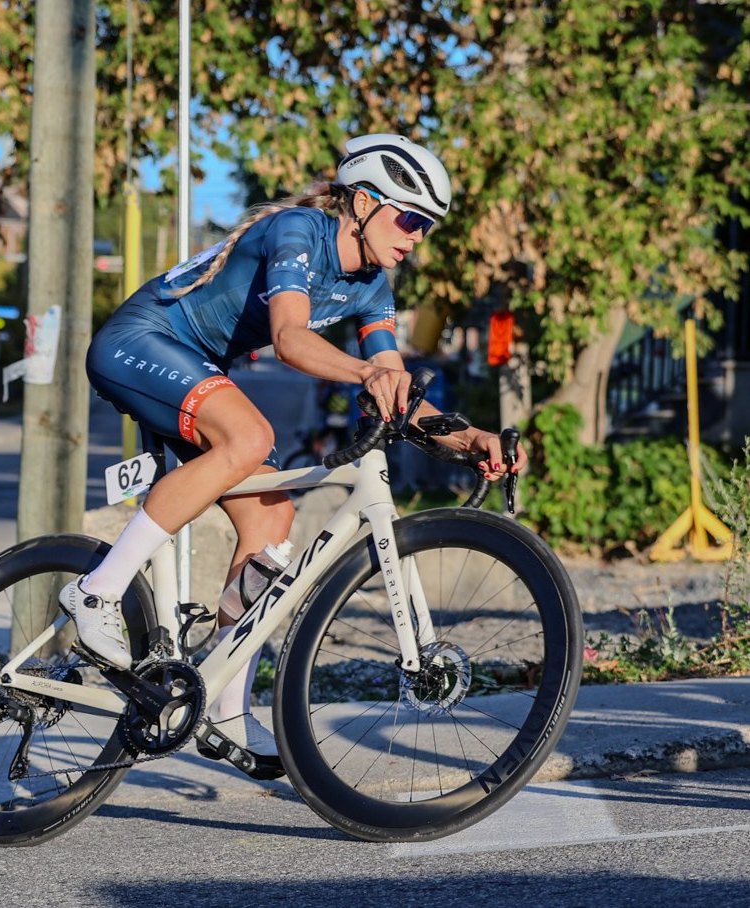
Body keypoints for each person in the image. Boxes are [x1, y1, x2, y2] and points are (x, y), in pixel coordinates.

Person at [59, 133, 528, 775]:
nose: (418, 235)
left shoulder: (372, 285)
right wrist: (365, 375)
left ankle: (225, 707)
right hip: (140, 340)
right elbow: (290, 339)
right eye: (410, 218)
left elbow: (395, 384)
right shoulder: (297, 232)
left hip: (195, 364)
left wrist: (468, 437)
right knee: (250, 438)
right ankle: (97, 591)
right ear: (362, 203)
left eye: (428, 226)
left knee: (272, 519)